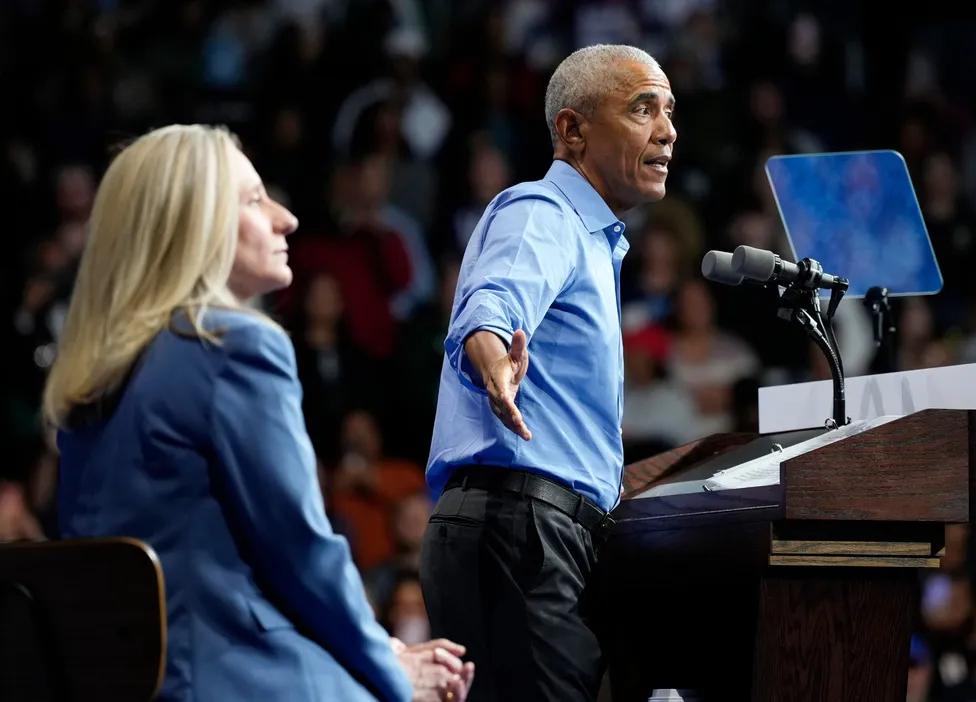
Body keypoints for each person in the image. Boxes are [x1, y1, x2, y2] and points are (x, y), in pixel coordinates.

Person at [42, 124, 474, 702]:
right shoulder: (233, 346)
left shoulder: (92, 377)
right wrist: (390, 672)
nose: (285, 218)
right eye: (252, 199)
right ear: (190, 225)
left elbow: (219, 576)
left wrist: (378, 650)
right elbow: (301, 552)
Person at [420, 44, 676, 702]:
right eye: (642, 108)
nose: (667, 130)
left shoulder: (593, 239)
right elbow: (491, 307)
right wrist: (492, 359)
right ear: (572, 129)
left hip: (534, 535)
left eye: (669, 110)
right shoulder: (544, 213)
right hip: (522, 534)